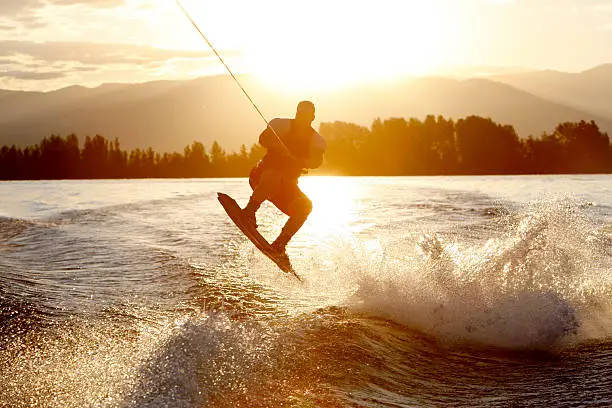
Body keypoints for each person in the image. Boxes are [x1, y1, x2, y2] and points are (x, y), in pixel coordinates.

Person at [241, 100, 326, 260]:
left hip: (285, 188)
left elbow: (316, 162)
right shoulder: (280, 125)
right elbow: (263, 139)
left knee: (305, 206)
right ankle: (249, 212)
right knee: (274, 175)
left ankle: (280, 244)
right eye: (299, 113)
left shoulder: (316, 140)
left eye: (306, 115)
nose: (301, 117)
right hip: (261, 178)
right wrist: (276, 144)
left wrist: (297, 160)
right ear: (296, 113)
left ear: (312, 117)